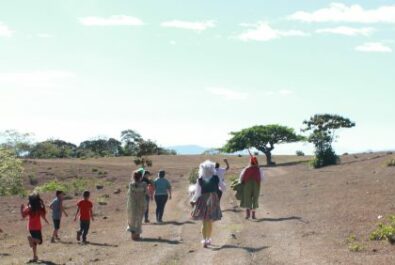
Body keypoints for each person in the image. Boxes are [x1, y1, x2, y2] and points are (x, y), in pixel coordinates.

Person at [191, 160, 223, 248]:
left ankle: (204, 240)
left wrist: (193, 200)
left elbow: (197, 192)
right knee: (210, 220)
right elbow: (222, 187)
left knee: (204, 221)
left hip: (203, 199)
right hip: (213, 199)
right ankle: (208, 239)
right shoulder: (216, 178)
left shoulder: (200, 179)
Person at [20, 193, 49, 263]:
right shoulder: (39, 208)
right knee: (40, 241)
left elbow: (23, 216)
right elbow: (43, 214)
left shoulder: (29, 208)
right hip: (37, 227)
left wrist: (21, 209)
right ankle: (30, 238)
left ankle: (35, 256)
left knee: (34, 243)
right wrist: (43, 205)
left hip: (30, 227)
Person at [127, 170, 148, 240]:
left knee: (132, 219)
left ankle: (133, 236)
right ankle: (137, 235)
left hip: (132, 204)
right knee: (139, 219)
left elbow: (129, 195)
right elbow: (146, 193)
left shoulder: (131, 184)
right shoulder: (144, 184)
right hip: (141, 203)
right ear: (141, 177)